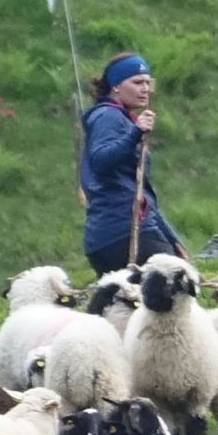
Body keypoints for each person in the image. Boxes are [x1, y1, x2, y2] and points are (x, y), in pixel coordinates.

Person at [77, 53, 180, 275]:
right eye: (136, 82)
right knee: (179, 291)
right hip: (125, 231)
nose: (145, 89)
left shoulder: (119, 118)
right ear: (115, 85)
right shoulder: (107, 116)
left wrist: (169, 236)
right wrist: (136, 132)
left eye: (147, 83)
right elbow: (101, 161)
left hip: (108, 236)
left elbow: (143, 191)